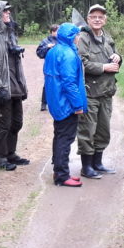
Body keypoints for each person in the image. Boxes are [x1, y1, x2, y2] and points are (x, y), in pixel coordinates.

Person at [0, 0, 29, 171]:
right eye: (4, 11)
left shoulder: (10, 33)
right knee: (3, 124)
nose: (8, 13)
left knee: (17, 122)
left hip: (14, 84)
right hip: (2, 86)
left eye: (9, 10)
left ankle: (10, 153)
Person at [76, 4, 121, 179]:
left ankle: (98, 163)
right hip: (90, 92)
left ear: (105, 20)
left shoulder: (107, 37)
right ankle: (86, 167)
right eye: (93, 16)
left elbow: (115, 56)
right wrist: (104, 67)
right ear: (88, 19)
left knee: (103, 129)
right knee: (88, 130)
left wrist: (118, 58)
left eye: (100, 17)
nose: (97, 19)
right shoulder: (83, 38)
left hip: (107, 91)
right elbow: (82, 63)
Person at [43, 22, 87, 187]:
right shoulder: (68, 54)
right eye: (77, 34)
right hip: (65, 103)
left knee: (59, 136)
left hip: (56, 101)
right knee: (65, 139)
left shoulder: (54, 50)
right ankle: (62, 176)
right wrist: (78, 105)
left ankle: (59, 171)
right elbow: (69, 83)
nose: (79, 37)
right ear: (71, 36)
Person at [36, 24, 59, 112]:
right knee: (47, 84)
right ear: (52, 32)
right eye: (56, 31)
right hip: (50, 66)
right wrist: (47, 47)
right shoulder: (46, 41)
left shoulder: (62, 41)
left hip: (60, 66)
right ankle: (43, 103)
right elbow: (39, 53)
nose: (57, 33)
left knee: (59, 84)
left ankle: (57, 103)